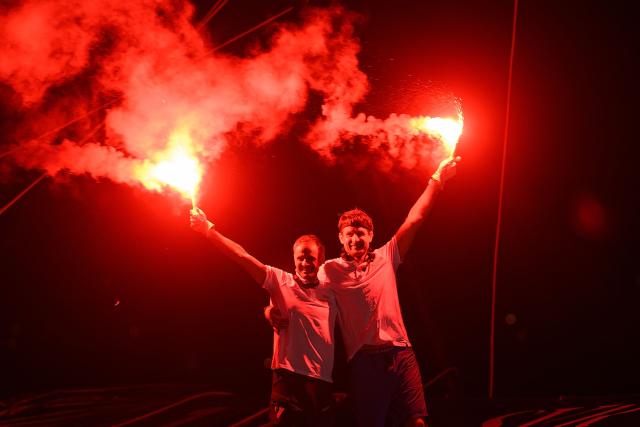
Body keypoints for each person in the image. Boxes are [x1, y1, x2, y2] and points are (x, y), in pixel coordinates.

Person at [320, 156, 461, 427]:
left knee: (417, 423)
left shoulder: (387, 257)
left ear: (371, 235)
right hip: (365, 361)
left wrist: (436, 180)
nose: (355, 238)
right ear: (340, 238)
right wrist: (272, 309)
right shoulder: (330, 271)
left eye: (361, 233)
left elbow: (415, 218)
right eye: (349, 233)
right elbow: (300, 291)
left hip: (401, 354)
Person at [190, 208, 337, 426]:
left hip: (321, 382)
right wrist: (208, 230)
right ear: (293, 259)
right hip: (287, 380)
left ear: (321, 258)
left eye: (311, 258)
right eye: (300, 258)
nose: (305, 263)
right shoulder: (280, 281)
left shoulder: (333, 288)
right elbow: (242, 256)